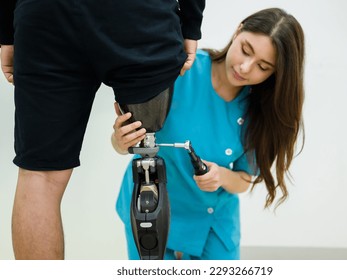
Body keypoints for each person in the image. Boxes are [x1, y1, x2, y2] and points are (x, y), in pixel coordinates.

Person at [0, 0, 205, 259]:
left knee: (40, 177)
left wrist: (6, 32)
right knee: (147, 150)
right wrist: (191, 25)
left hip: (47, 17)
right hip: (140, 18)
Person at [112, 7, 305, 260]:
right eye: (246, 50)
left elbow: (245, 179)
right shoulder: (179, 70)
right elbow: (123, 144)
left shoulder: (259, 110)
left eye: (263, 67)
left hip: (213, 224)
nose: (246, 68)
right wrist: (119, 140)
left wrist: (222, 176)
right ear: (238, 30)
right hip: (149, 209)